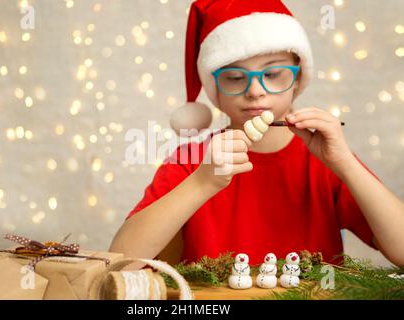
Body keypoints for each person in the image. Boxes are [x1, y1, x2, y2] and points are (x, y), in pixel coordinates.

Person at [109, 0, 404, 267]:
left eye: (273, 74)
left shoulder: (326, 159)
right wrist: (202, 182)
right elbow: (121, 261)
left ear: (298, 77)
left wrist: (346, 164)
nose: (254, 91)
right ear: (215, 93)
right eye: (235, 78)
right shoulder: (193, 160)